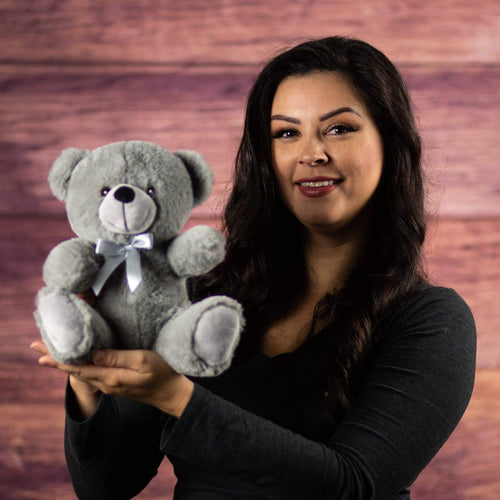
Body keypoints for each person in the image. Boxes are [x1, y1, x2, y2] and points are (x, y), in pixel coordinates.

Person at [31, 36, 476, 499]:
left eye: (339, 129)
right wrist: (87, 379)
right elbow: (105, 486)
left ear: (391, 142)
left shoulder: (432, 321)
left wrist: (177, 398)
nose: (311, 153)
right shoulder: (199, 296)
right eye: (286, 133)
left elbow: (353, 485)